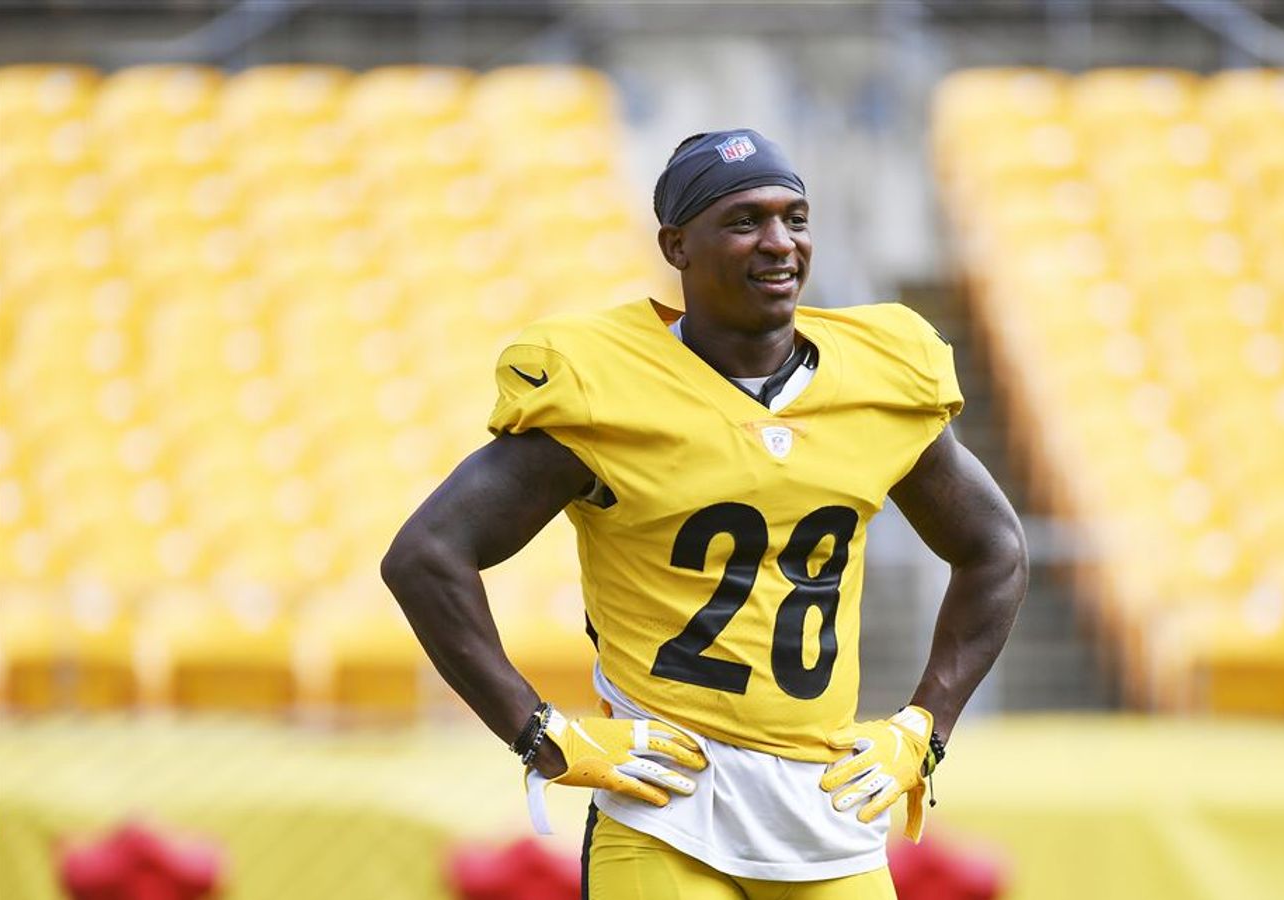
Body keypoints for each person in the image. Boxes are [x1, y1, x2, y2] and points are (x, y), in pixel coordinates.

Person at [382, 128, 1027, 900]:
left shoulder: (880, 377)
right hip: (668, 808)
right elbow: (425, 556)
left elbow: (994, 548)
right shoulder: (604, 383)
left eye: (795, 217)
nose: (779, 243)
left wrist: (925, 727)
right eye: (745, 220)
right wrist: (539, 732)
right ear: (677, 245)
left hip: (829, 810)